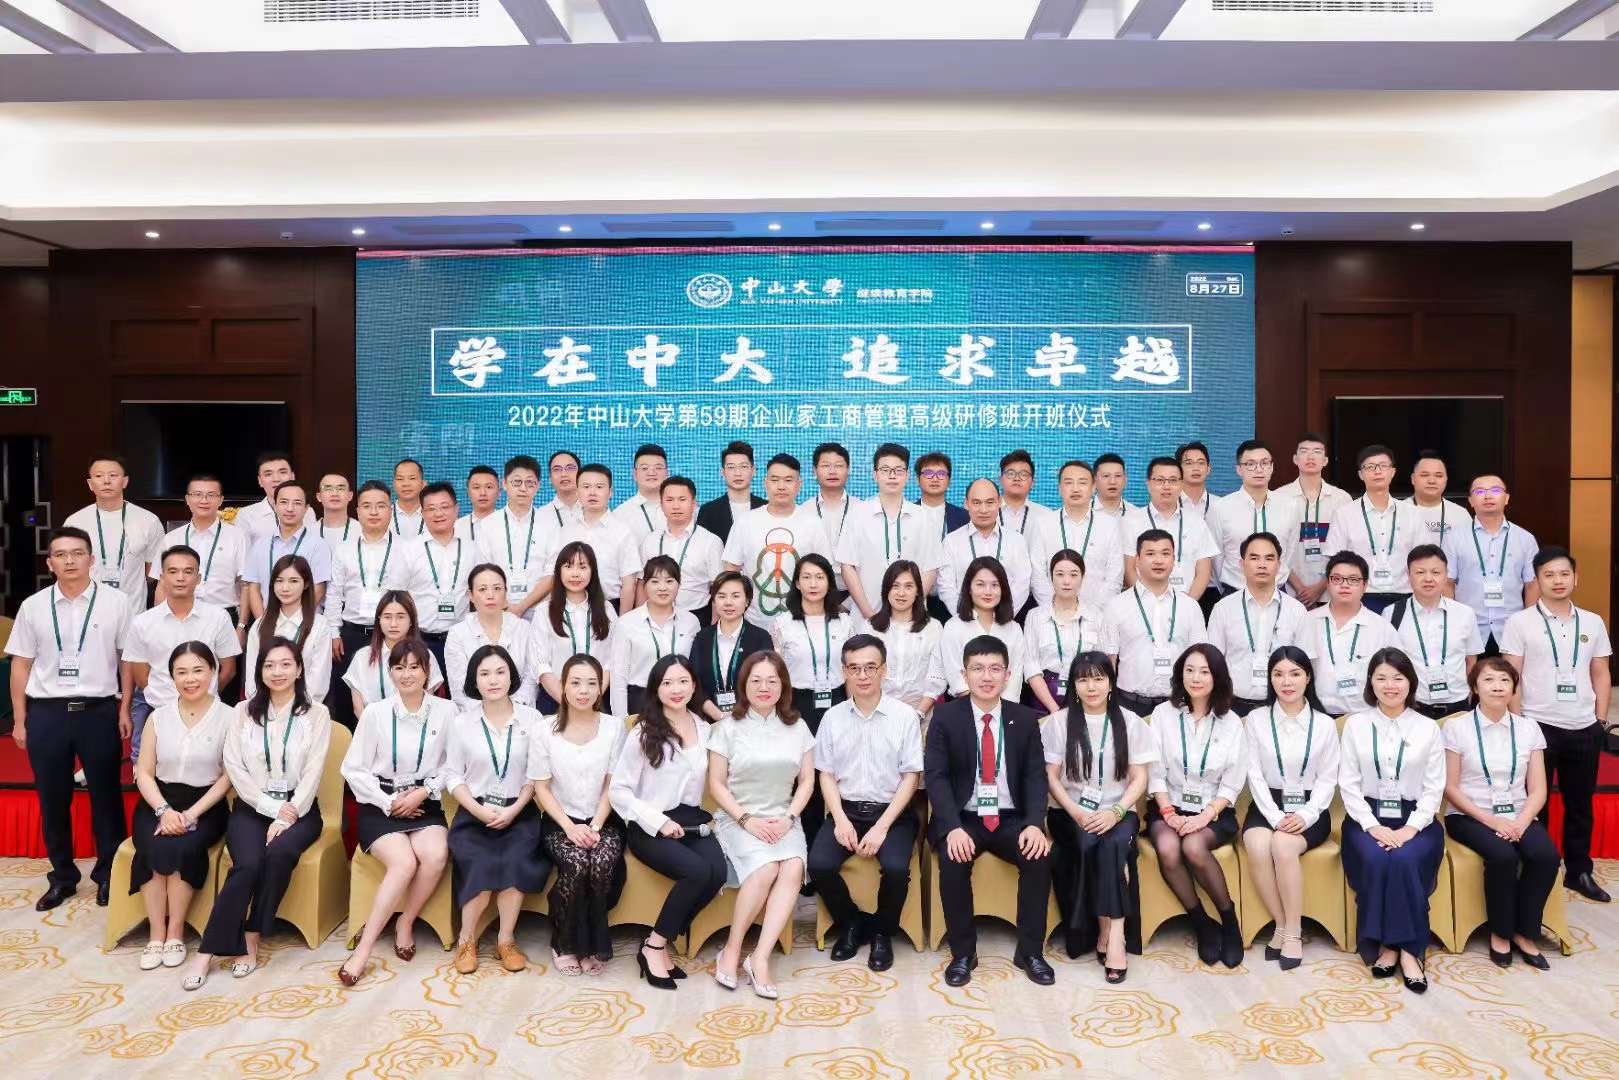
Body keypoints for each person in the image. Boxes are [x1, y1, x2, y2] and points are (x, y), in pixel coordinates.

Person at [183, 638, 333, 990]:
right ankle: (207, 951)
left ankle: (251, 937)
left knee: (279, 854)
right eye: (269, 665)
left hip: (300, 809)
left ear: (299, 669)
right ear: (259, 671)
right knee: (248, 864)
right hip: (251, 808)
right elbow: (234, 767)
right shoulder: (242, 712)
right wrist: (270, 808)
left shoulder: (317, 713)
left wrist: (286, 815)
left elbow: (313, 772)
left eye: (285, 664)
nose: (277, 672)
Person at [5, 527, 134, 910]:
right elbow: (21, 665)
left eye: (77, 553)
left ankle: (108, 874)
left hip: (98, 710)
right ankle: (62, 877)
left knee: (106, 798)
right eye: (60, 555)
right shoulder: (33, 606)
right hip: (48, 713)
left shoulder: (116, 603)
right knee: (53, 799)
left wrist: (124, 707)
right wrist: (20, 719)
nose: (70, 560)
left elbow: (127, 659)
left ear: (91, 559)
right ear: (50, 563)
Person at [926, 635, 1055, 987]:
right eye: (978, 669)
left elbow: (1035, 777)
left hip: (1011, 817)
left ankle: (1030, 951)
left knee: (1039, 857)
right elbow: (936, 777)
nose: (987, 676)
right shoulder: (946, 716)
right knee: (953, 858)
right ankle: (963, 953)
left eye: (995, 669)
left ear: (1008, 675)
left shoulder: (1024, 718)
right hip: (964, 818)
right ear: (964, 674)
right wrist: (951, 827)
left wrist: (1034, 824)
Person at [338, 638, 456, 984]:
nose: (407, 674)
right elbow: (353, 769)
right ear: (390, 672)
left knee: (435, 855)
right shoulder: (375, 712)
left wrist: (423, 792)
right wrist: (388, 801)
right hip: (380, 801)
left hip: (424, 801)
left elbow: (453, 765)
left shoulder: (447, 711)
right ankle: (363, 951)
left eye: (415, 667)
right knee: (404, 862)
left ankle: (406, 921)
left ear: (427, 672)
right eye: (399, 667)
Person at [1501, 546, 1614, 903]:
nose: (1558, 581)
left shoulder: (1592, 622)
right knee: (1537, 805)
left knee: (1580, 804)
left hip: (1583, 725)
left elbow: (1600, 672)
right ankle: (1539, 871)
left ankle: (1579, 872)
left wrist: (1600, 719)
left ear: (1576, 578)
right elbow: (1511, 675)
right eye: (1548, 575)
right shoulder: (1520, 622)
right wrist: (1519, 724)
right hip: (1538, 726)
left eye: (1564, 574)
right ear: (1537, 580)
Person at [609, 655, 725, 989]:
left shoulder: (704, 728)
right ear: (656, 689)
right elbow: (618, 791)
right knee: (697, 872)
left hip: (692, 819)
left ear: (694, 686)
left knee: (717, 874)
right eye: (667, 683)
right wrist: (657, 821)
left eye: (683, 681)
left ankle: (656, 941)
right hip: (649, 824)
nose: (676, 689)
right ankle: (655, 947)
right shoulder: (643, 731)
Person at [708, 651, 818, 999]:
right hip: (737, 818)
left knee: (793, 865)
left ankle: (760, 957)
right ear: (744, 685)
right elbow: (716, 785)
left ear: (783, 685)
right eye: (756, 680)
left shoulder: (798, 727)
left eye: (772, 680)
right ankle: (732, 949)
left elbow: (807, 781)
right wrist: (747, 820)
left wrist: (789, 819)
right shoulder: (727, 727)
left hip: (784, 818)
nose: (764, 687)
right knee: (766, 867)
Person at [810, 635, 923, 971]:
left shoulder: (904, 717)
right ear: (844, 672)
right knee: (818, 865)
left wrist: (882, 827)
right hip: (846, 811)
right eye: (854, 668)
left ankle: (883, 933)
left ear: (883, 670)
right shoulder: (832, 718)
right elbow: (826, 774)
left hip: (893, 814)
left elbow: (911, 777)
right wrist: (840, 820)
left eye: (870, 667)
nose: (863, 675)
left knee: (897, 868)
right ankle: (852, 923)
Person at [1338, 647, 1447, 992]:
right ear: (1370, 683)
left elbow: (1434, 788)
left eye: (1398, 678)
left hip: (1417, 819)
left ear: (1410, 682)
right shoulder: (1355, 725)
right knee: (1376, 858)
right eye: (1381, 678)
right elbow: (1348, 784)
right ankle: (1393, 946)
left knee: (1403, 858)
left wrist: (1411, 828)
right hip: (1366, 817)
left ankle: (1403, 950)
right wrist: (1373, 826)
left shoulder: (1428, 728)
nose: (1390, 685)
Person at [1041, 651, 1153, 981]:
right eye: (1083, 679)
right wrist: (1075, 811)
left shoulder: (1130, 722)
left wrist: (1116, 812)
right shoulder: (1059, 723)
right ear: (1074, 686)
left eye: (1099, 679)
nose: (1091, 687)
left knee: (1112, 844)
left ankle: (1113, 935)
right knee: (1094, 843)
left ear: (1111, 683)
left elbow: (1140, 778)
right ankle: (1107, 930)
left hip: (1118, 810)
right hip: (1069, 812)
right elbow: (1050, 776)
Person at [1441, 656, 1558, 968]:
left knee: (1545, 856)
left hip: (1519, 814)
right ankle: (1501, 933)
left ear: (1514, 688)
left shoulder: (1529, 728)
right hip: (1469, 815)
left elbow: (1539, 789)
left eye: (1505, 680)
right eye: (1489, 680)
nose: (1497, 686)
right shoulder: (1456, 728)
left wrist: (1520, 822)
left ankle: (1525, 932)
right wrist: (1492, 820)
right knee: (1503, 856)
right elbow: (1450, 787)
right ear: (1474, 687)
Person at [444, 644, 550, 974]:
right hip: (474, 813)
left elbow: (536, 773)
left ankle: (506, 940)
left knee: (516, 861)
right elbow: (452, 775)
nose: (493, 680)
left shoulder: (532, 719)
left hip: (520, 812)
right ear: (474, 681)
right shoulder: (462, 723)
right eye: (485, 674)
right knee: (481, 862)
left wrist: (514, 809)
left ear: (511, 677)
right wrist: (478, 811)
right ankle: (466, 940)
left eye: (500, 672)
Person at [128, 642, 232, 972]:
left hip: (205, 805)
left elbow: (228, 777)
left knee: (184, 847)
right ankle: (155, 935)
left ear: (213, 671)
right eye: (181, 672)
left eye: (198, 670)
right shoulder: (158, 717)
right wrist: (163, 810)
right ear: (171, 676)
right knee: (152, 846)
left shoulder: (229, 717)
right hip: (157, 801)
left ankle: (175, 932)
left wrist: (190, 815)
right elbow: (144, 772)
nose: (190, 679)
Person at [1144, 643, 1248, 969]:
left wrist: (1205, 816)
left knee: (1192, 846)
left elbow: (1232, 782)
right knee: (1168, 848)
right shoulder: (1163, 715)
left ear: (1217, 677)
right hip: (1169, 805)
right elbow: (1154, 771)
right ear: (1180, 674)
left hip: (1214, 811)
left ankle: (1229, 920)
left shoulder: (1232, 722)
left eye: (1204, 671)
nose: (1196, 678)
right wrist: (1168, 812)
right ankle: (1201, 922)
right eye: (1189, 670)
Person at [1241, 646, 1341, 970]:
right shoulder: (1256, 720)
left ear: (1308, 678)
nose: (1287, 682)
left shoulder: (1324, 724)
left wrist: (1306, 815)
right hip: (1267, 802)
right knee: (1257, 844)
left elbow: (1328, 778)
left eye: (1295, 673)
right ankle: (1281, 924)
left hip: (1311, 807)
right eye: (1278, 674)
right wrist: (1274, 816)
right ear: (1270, 679)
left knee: (1283, 845)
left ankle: (1294, 933)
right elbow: (1254, 774)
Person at [528, 655, 627, 977]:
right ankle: (564, 942)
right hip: (560, 821)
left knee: (600, 864)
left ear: (600, 688)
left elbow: (613, 784)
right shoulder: (544, 729)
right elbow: (541, 788)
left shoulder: (613, 727)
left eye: (591, 683)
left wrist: (595, 825)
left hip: (604, 818)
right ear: (563, 687)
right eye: (575, 683)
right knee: (576, 863)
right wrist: (571, 828)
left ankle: (589, 943)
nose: (583, 690)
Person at [124, 545, 241, 762]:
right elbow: (140, 675)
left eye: (188, 571)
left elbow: (229, 669)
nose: (180, 578)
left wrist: (202, 695)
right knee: (151, 772)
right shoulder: (143, 622)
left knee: (209, 773)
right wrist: (164, 699)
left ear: (198, 578)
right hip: (158, 713)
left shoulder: (218, 617)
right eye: (173, 571)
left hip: (207, 716)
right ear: (162, 577)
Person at [772, 553, 853, 858]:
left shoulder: (844, 621)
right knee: (805, 778)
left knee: (836, 773)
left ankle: (836, 845)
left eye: (820, 577)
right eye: (806, 577)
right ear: (796, 583)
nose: (813, 583)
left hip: (838, 701)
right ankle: (806, 854)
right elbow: (778, 674)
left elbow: (851, 670)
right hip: (799, 705)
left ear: (830, 582)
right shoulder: (783, 623)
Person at [326, 480, 414, 713]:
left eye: (380, 506)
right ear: (357, 511)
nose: (374, 512)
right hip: (351, 635)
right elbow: (334, 594)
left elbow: (411, 595)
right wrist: (334, 632)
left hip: (393, 635)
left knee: (393, 696)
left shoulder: (407, 548)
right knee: (347, 703)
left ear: (390, 510)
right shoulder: (344, 549)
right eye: (367, 506)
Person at [1101, 529, 1209, 717]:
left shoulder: (1190, 607)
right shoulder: (1117, 605)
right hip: (1129, 705)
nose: (1158, 561)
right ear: (1137, 560)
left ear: (1174, 560)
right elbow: (1109, 661)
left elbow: (1201, 660)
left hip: (1178, 704)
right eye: (1150, 554)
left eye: (1165, 554)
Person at [722, 452, 832, 627]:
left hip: (801, 622)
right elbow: (731, 570)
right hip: (754, 622)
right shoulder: (745, 522)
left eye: (788, 480)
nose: (781, 486)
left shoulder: (813, 523)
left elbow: (824, 571)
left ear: (799, 485)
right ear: (765, 483)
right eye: (775, 480)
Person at [837, 443, 943, 622]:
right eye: (885, 470)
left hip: (911, 619)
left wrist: (910, 608)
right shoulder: (857, 514)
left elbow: (931, 568)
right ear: (875, 475)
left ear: (907, 475)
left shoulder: (923, 517)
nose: (892, 475)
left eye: (899, 470)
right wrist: (869, 614)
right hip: (866, 617)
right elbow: (847, 566)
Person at [1207, 533, 1307, 714]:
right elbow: (1212, 663)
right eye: (1254, 558)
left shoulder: (1297, 610)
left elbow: (1305, 665)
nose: (1262, 564)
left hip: (1282, 706)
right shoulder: (1223, 608)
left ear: (1279, 565)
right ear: (1241, 564)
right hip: (1232, 707)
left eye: (1269, 558)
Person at [151, 474, 248, 649]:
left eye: (211, 495)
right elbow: (162, 585)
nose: (204, 500)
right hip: (179, 616)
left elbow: (246, 585)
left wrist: (241, 626)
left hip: (224, 616)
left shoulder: (237, 536)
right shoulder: (171, 538)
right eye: (197, 494)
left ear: (221, 500)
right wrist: (159, 623)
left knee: (225, 666)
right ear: (187, 499)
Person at [1385, 545, 1482, 721]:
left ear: (1446, 575)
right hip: (1412, 707)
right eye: (1420, 572)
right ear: (1408, 575)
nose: (1428, 578)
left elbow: (1471, 661)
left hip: (1458, 707)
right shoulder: (1392, 613)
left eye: (1436, 572)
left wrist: (1468, 695)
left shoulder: (1465, 613)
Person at [1325, 445, 1425, 613]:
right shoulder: (1344, 514)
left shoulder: (1412, 514)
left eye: (1383, 466)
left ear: (1393, 472)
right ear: (1360, 474)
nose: (1377, 471)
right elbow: (1335, 561)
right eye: (1370, 467)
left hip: (1405, 596)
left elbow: (1423, 559)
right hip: (1360, 598)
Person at [1446, 474, 1539, 655]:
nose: (1488, 496)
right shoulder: (1454, 538)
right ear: (1471, 501)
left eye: (1495, 490)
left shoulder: (1525, 539)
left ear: (1507, 498)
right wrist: (1452, 622)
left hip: (1512, 628)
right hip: (1468, 627)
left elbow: (1532, 585)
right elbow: (1447, 583)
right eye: (1480, 492)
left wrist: (1530, 625)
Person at [1299, 551, 1399, 716]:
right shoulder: (1308, 621)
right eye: (1337, 579)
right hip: (1315, 716)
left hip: (1364, 717)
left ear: (1365, 585)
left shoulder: (1382, 628)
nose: (1344, 585)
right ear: (1328, 583)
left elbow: (1396, 677)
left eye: (1353, 580)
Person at [64, 455, 164, 614]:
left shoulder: (148, 520)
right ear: (90, 484)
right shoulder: (75, 522)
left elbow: (153, 572)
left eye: (113, 475)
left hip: (132, 616)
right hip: (86, 615)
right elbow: (67, 570)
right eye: (99, 476)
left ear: (125, 481)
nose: (106, 481)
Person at [1207, 440, 1305, 600]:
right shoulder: (1221, 507)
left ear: (1272, 467)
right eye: (1250, 464)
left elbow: (1289, 553)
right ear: (1239, 469)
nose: (1259, 469)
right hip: (1235, 592)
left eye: (1264, 463)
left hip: (1277, 592)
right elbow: (1216, 557)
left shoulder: (1290, 506)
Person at [1027, 459, 1125, 611]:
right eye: (1068, 482)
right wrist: (1055, 609)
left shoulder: (1109, 525)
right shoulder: (1043, 524)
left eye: (1082, 482)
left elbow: (1115, 576)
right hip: (1052, 613)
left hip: (1098, 615)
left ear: (1093, 487)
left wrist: (1093, 613)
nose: (1075, 488)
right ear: (1059, 488)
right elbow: (1037, 574)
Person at [609, 555, 700, 717]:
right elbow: (618, 677)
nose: (662, 588)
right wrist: (622, 720)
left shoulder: (691, 622)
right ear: (644, 585)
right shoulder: (626, 623)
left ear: (679, 585)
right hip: (641, 701)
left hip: (681, 700)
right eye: (655, 581)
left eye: (669, 581)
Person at [445, 564, 541, 712]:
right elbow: (460, 691)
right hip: (475, 716)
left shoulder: (524, 628)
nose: (490, 595)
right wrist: (489, 713)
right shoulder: (457, 634)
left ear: (505, 592)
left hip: (520, 711)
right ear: (471, 596)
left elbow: (531, 678)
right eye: (482, 589)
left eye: (497, 588)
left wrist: (512, 710)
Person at [1122, 456, 1218, 604]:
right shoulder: (1131, 521)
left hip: (1187, 603)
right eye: (1160, 480)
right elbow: (1129, 569)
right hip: (1143, 605)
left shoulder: (1196, 522)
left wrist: (1187, 605)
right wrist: (1146, 603)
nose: (1166, 486)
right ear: (1148, 484)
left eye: (1173, 480)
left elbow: (1204, 572)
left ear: (1181, 484)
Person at [933, 556, 1029, 702]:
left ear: (1003, 589)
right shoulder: (953, 626)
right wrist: (983, 709)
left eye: (995, 585)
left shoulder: (1014, 629)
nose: (988, 591)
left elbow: (1014, 679)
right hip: (964, 706)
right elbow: (956, 679)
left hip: (1006, 708)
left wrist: (1000, 710)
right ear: (969, 589)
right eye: (980, 584)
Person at [858, 560, 945, 720]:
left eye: (908, 586)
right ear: (886, 590)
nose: (901, 593)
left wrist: (918, 715)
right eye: (895, 586)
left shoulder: (933, 627)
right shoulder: (870, 627)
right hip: (877, 711)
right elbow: (862, 673)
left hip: (920, 711)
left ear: (918, 591)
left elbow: (936, 676)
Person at [243, 554, 335, 703]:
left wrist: (294, 710)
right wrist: (266, 708)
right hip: (264, 709)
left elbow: (318, 681)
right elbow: (252, 679)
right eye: (279, 581)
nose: (285, 588)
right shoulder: (259, 626)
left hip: (305, 708)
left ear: (306, 584)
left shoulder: (320, 625)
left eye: (293, 581)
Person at [342, 591, 446, 721]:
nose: (393, 624)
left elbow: (427, 704)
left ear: (411, 621)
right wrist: (376, 730)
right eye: (387, 617)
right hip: (373, 727)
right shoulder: (362, 657)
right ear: (379, 620)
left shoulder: (426, 655)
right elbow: (358, 708)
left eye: (400, 617)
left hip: (414, 727)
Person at [534, 542, 614, 710]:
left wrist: (593, 698)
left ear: (593, 571)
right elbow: (541, 664)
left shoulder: (607, 609)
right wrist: (568, 701)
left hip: (598, 699)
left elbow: (611, 661)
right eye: (568, 566)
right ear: (559, 571)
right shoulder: (544, 611)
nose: (575, 573)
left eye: (583, 567)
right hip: (555, 699)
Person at [1276, 433, 1353, 607]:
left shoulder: (1342, 499)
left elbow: (1347, 548)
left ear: (1325, 460)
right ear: (1295, 459)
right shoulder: (1279, 497)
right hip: (1290, 591)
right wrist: (1299, 587)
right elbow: (1275, 547)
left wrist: (1320, 587)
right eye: (1304, 451)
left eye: (1317, 451)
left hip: (1331, 591)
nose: (1310, 457)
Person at [1023, 550, 1104, 715]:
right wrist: (1054, 710)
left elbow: (1102, 664)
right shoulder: (1035, 616)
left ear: (1082, 577)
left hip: (1086, 696)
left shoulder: (1095, 616)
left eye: (1074, 575)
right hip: (1044, 699)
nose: (1067, 581)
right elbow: (1031, 665)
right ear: (1051, 577)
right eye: (1060, 574)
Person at [937, 478, 1034, 615]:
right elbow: (946, 587)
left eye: (990, 502)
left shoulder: (1016, 540)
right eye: (977, 503)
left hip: (1005, 619)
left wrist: (1001, 616)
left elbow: (1022, 584)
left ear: (999, 502)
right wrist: (967, 617)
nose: (983, 510)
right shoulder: (951, 541)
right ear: (966, 504)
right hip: (964, 620)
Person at [400, 481, 468, 673]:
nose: (438, 514)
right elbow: (398, 596)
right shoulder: (409, 549)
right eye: (431, 509)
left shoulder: (472, 549)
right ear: (422, 513)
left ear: (456, 509)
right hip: (420, 641)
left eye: (445, 507)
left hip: (461, 641)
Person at [242, 480, 331, 621]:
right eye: (284, 502)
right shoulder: (260, 544)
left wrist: (292, 621)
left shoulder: (318, 545)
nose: (290, 508)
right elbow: (253, 587)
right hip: (267, 621)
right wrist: (263, 622)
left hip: (304, 623)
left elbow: (318, 588)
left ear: (306, 508)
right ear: (275, 505)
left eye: (297, 503)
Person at [556, 464, 639, 614]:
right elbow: (557, 574)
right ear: (577, 492)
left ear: (610, 492)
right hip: (570, 609)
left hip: (610, 607)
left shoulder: (622, 531)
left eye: (599, 487)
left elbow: (629, 584)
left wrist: (622, 623)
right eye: (586, 487)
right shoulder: (566, 530)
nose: (592, 492)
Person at [484, 455, 558, 621]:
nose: (523, 488)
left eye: (529, 483)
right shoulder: (488, 525)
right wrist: (505, 606)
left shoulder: (550, 524)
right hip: (499, 611)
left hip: (540, 613)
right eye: (517, 482)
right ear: (504, 484)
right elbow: (484, 571)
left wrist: (521, 607)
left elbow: (552, 573)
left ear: (538, 486)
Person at [692, 572, 774, 721]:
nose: (728, 602)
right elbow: (694, 684)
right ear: (714, 600)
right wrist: (718, 716)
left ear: (747, 601)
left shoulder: (760, 638)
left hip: (751, 720)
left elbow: (766, 683)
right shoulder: (702, 638)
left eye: (735, 596)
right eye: (722, 596)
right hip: (709, 721)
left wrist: (739, 716)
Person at [639, 476, 723, 621]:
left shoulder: (711, 541)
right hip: (654, 615)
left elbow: (719, 588)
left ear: (694, 503)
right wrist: (641, 620)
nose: (676, 506)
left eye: (682, 499)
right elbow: (641, 583)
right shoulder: (650, 540)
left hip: (697, 615)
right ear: (661, 504)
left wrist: (714, 629)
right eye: (669, 500)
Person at [915, 451, 969, 622]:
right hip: (914, 598)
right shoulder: (907, 514)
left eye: (941, 473)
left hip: (955, 598)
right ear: (917, 479)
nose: (935, 478)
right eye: (928, 473)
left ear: (949, 480)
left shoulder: (964, 517)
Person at [233, 452, 316, 550]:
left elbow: (313, 547)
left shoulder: (308, 511)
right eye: (268, 474)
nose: (276, 479)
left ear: (293, 476)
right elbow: (242, 554)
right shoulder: (246, 515)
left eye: (282, 472)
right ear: (260, 481)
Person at [808, 442, 860, 594]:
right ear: (814, 471)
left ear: (848, 470)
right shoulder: (803, 511)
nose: (832, 471)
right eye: (825, 466)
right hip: (814, 590)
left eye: (838, 466)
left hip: (857, 591)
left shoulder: (862, 509)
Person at [696, 440, 765, 544]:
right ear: (722, 472)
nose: (738, 473)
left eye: (743, 466)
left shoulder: (766, 508)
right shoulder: (708, 511)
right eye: (731, 467)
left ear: (753, 470)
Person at [1401, 451, 1471, 546]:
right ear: (1413, 479)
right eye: (1425, 475)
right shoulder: (1398, 511)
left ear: (1446, 479)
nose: (1432, 481)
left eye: (1438, 476)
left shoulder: (1460, 514)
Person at [609, 443, 669, 547]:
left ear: (667, 473)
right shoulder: (621, 514)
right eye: (644, 468)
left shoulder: (682, 509)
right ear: (635, 474)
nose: (651, 473)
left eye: (658, 468)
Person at [998, 449, 1056, 536]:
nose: (1017, 478)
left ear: (1032, 483)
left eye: (1023, 474)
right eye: (1011, 474)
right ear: (1000, 480)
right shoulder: (985, 512)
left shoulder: (1046, 515)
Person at [453, 465, 501, 545]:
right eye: (476, 487)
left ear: (499, 492)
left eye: (489, 487)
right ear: (468, 492)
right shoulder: (456, 527)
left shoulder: (509, 526)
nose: (483, 493)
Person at [543, 450, 585, 528]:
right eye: (557, 469)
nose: (564, 474)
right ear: (550, 479)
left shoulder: (593, 510)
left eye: (570, 468)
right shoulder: (541, 515)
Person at [1176, 441, 1214, 518]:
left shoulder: (1220, 505)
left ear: (1208, 469)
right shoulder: (1168, 505)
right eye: (1189, 463)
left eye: (1201, 463)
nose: (1196, 468)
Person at [315, 473, 355, 546]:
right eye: (328, 489)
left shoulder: (362, 531)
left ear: (350, 496)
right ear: (319, 496)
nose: (334, 494)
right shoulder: (309, 532)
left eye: (340, 489)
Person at [390, 458, 427, 537]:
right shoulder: (384, 516)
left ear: (423, 484)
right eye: (400, 479)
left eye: (412, 478)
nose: (406, 484)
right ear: (394, 484)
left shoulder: (435, 516)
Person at [1091, 453, 1134, 519]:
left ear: (1125, 480)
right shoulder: (1081, 511)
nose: (1112, 482)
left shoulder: (1135, 513)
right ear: (1094, 480)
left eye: (1118, 476)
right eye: (1106, 476)